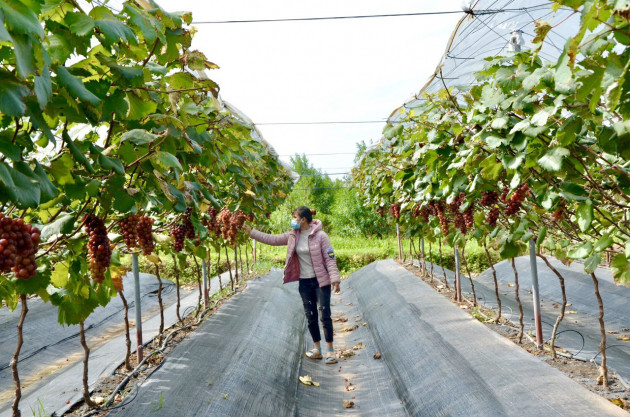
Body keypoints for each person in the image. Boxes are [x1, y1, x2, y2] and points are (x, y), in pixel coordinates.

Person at [243, 206, 341, 364]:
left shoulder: (321, 236)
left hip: (320, 281)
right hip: (304, 282)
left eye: (295, 217)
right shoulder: (292, 236)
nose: (293, 221)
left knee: (325, 315)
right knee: (310, 316)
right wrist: (252, 233)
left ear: (303, 219)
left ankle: (330, 350)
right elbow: (272, 239)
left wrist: (335, 278)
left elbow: (330, 257)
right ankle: (317, 349)